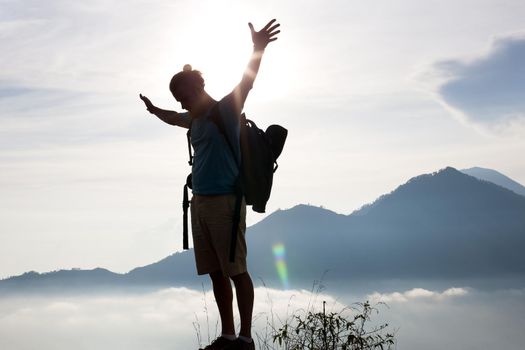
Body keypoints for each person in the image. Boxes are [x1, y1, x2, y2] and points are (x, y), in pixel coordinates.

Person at [139, 19, 280, 350]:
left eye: (181, 95)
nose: (180, 102)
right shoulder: (194, 119)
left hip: (225, 203)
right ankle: (228, 336)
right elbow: (174, 118)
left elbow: (247, 83)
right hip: (200, 203)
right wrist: (153, 109)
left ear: (197, 88)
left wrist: (258, 48)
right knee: (216, 272)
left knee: (236, 271)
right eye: (176, 97)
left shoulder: (226, 110)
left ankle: (245, 339)